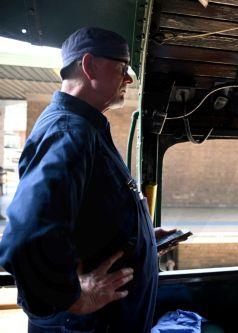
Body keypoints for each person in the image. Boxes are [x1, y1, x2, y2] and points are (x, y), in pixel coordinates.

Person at [0, 27, 176, 332]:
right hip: (88, 323)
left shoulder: (85, 127)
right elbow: (27, 238)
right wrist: (73, 296)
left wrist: (141, 238)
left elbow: (85, 214)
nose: (129, 79)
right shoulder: (70, 132)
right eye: (122, 67)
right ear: (89, 66)